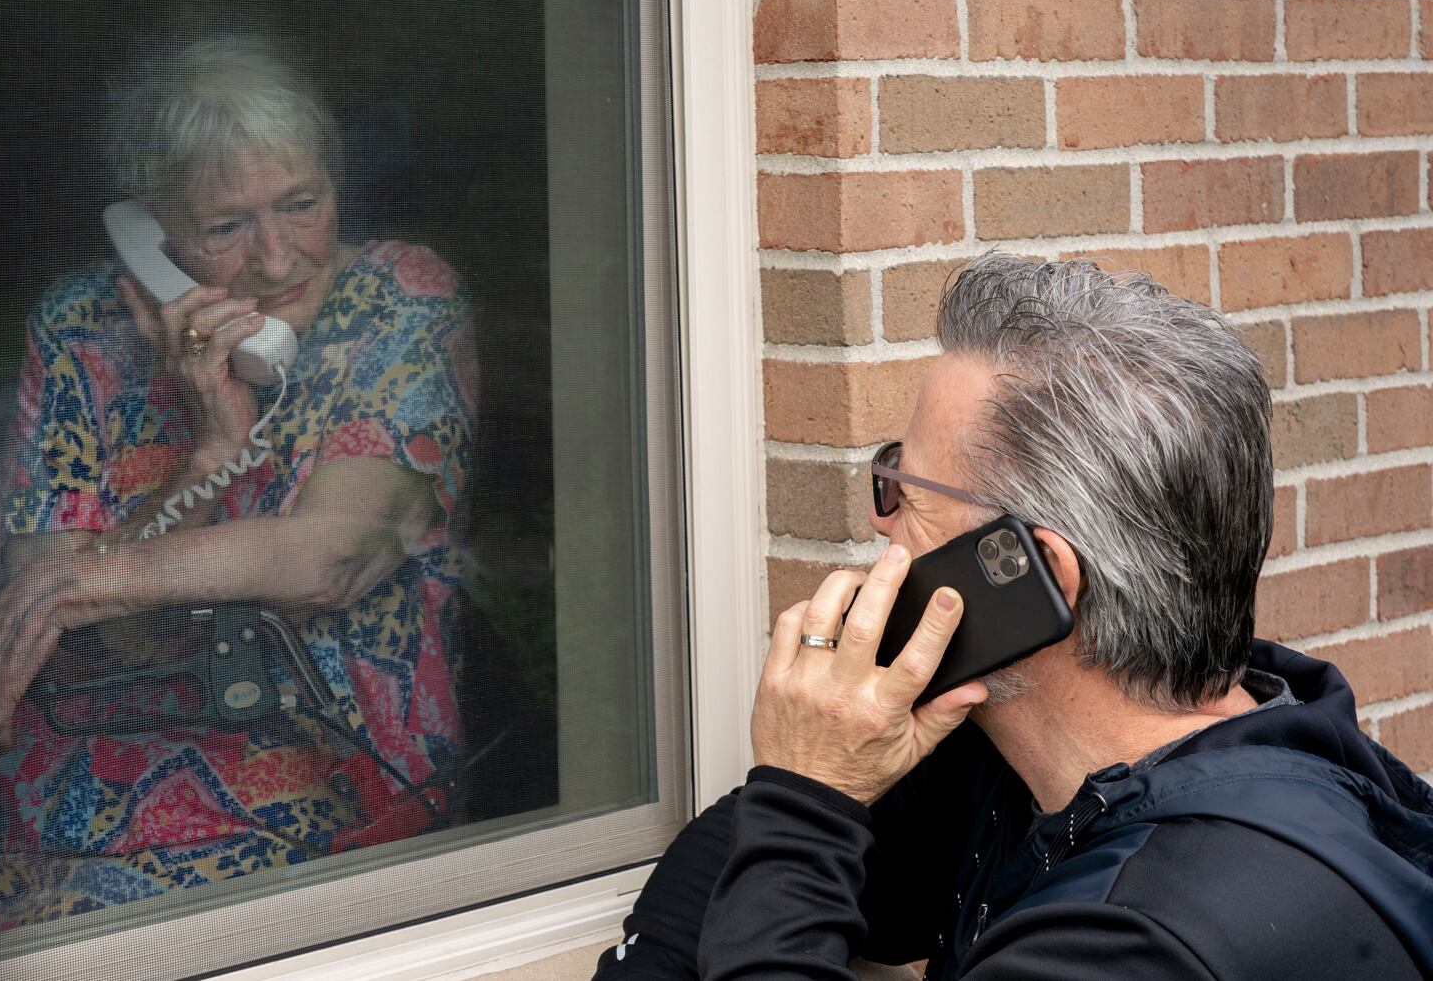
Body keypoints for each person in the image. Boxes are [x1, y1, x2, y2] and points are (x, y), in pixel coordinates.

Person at [595, 254, 1433, 980]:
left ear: (1036, 578)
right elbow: (742, 862)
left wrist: (809, 792)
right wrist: (812, 795)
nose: (881, 519)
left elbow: (786, 848)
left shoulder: (1153, 935)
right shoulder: (1040, 756)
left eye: (906, 490)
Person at [0, 35, 478, 931]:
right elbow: (43, 641)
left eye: (301, 204)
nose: (279, 259)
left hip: (314, 791)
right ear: (152, 229)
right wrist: (207, 456)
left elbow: (330, 557)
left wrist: (91, 576)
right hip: (61, 794)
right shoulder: (80, 331)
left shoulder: (400, 302)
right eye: (225, 227)